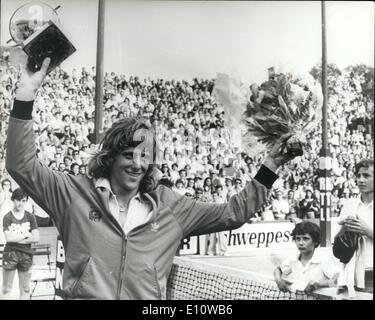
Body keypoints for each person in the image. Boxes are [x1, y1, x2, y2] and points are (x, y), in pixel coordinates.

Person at [6, 57, 297, 300]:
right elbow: (21, 164)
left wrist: (271, 164)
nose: (137, 164)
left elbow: (232, 214)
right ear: (109, 156)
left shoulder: (170, 205)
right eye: (128, 154)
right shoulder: (73, 193)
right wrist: (26, 95)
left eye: (145, 156)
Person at [336, 159, 373, 295]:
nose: (360, 180)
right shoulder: (349, 205)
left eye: (366, 175)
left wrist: (368, 231)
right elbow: (339, 248)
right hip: (355, 276)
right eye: (358, 175)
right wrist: (344, 232)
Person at [274, 221, 338, 294]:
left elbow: (337, 278)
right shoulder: (293, 257)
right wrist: (278, 281)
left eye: (305, 239)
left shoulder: (322, 258)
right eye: (298, 239)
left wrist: (318, 285)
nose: (301, 243)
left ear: (315, 241)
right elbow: (278, 269)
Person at [2, 188, 39, 300]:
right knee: (6, 288)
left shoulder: (30, 216)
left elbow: (36, 237)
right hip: (10, 253)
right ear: (13, 200)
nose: (20, 203)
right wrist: (26, 235)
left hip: (26, 254)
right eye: (18, 200)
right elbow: (8, 238)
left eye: (23, 201)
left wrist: (16, 238)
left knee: (26, 288)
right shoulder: (7, 217)